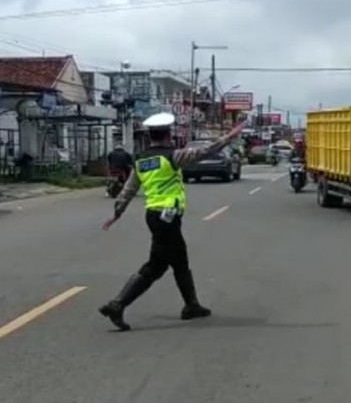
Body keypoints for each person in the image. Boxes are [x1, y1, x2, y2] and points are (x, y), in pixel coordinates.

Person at [99, 112, 246, 331]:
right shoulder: (172, 156)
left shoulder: (141, 160)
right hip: (167, 216)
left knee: (179, 260)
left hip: (153, 214)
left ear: (150, 136)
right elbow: (204, 152)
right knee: (156, 266)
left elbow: (128, 189)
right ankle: (118, 304)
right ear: (168, 135)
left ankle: (191, 305)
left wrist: (117, 213)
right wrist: (229, 137)